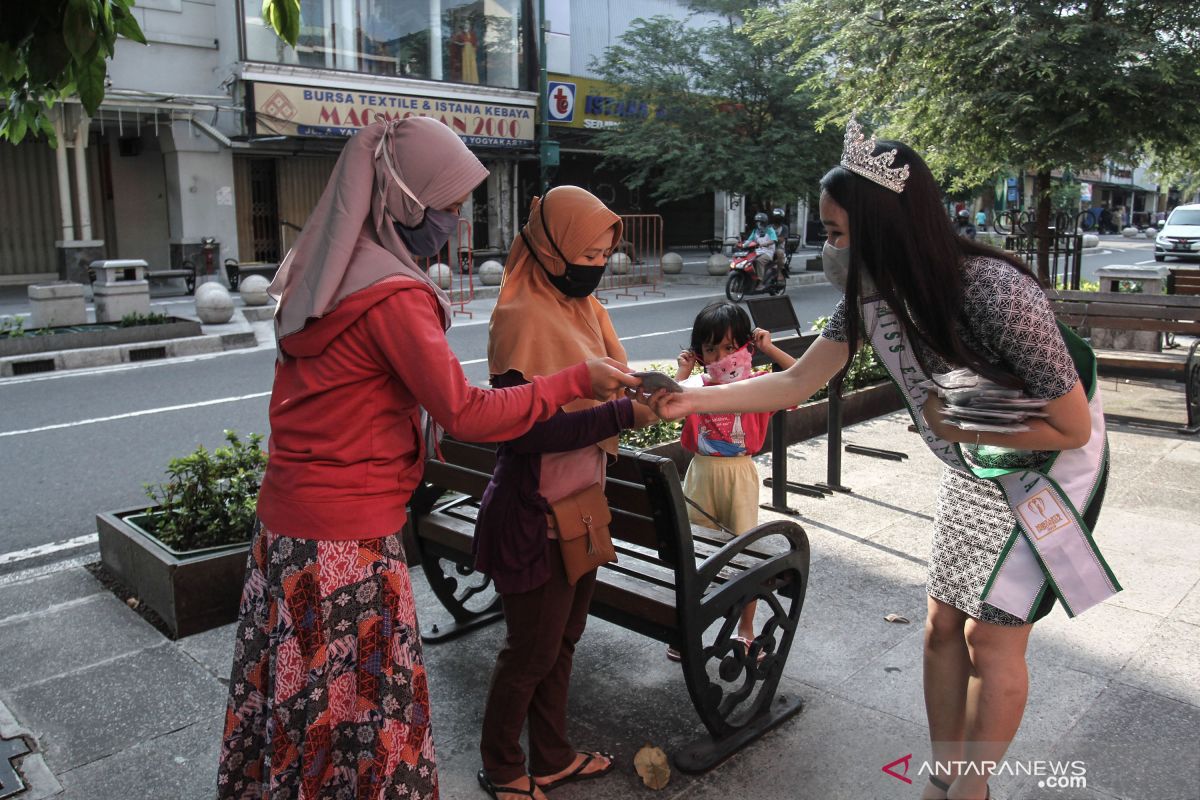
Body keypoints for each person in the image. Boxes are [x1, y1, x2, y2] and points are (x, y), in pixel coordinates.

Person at [647, 117, 1115, 800]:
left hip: (1045, 468)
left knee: (993, 638)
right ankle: (945, 773)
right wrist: (685, 400)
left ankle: (973, 788)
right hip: (972, 460)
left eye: (836, 234)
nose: (829, 249)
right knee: (939, 626)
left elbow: (1069, 425)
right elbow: (796, 380)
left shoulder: (994, 292)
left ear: (885, 228)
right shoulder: (869, 295)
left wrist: (953, 422)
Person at [216, 119, 638, 800]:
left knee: (304, 710)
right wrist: (574, 382)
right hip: (344, 544)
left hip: (289, 535)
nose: (455, 221)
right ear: (405, 201)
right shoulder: (394, 293)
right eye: (445, 205)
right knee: (357, 717)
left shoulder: (328, 270)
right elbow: (468, 412)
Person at [473, 186, 659, 800]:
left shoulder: (583, 309)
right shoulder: (521, 316)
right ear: (550, 248)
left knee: (563, 642)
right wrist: (622, 417)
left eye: (607, 252)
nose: (598, 265)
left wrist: (646, 392)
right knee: (529, 652)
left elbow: (604, 386)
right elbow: (524, 433)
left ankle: (550, 757)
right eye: (589, 251)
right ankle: (502, 767)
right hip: (535, 517)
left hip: (580, 506)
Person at [664, 301, 795, 661]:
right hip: (700, 473)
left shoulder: (758, 386)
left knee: (744, 556)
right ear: (699, 352)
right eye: (710, 348)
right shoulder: (696, 386)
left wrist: (769, 349)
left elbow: (799, 380)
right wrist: (683, 372)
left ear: (745, 346)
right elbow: (662, 405)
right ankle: (687, 628)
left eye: (729, 346)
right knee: (694, 555)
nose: (721, 356)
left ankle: (745, 629)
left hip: (739, 474)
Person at [741, 211, 777, 284]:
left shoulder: (770, 230)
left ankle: (760, 281)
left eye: (761, 222)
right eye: (757, 222)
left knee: (759, 261)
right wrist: (741, 245)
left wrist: (765, 244)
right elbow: (749, 240)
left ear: (765, 222)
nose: (759, 224)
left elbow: (774, 240)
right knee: (747, 261)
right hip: (758, 251)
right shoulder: (755, 231)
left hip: (768, 252)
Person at [770, 207, 791, 277]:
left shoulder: (784, 228)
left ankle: (779, 273)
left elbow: (781, 239)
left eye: (778, 217)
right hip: (767, 248)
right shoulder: (769, 227)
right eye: (775, 217)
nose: (777, 219)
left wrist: (770, 240)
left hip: (779, 248)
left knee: (779, 253)